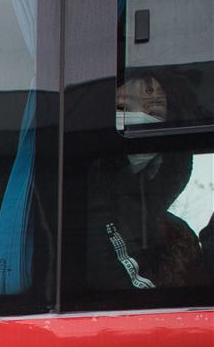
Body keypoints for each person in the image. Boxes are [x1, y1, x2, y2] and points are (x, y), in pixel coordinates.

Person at [86, 72, 208, 289]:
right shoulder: (86, 199)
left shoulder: (177, 235)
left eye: (155, 114)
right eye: (124, 102)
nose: (152, 99)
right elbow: (127, 294)